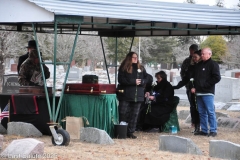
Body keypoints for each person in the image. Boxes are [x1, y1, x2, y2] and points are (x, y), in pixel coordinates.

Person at [191, 48, 221, 137]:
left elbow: (217, 77)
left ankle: (213, 130)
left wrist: (205, 85)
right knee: (201, 112)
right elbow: (195, 78)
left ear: (209, 54)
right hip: (199, 92)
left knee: (210, 111)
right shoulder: (198, 65)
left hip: (208, 92)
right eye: (202, 54)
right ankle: (204, 130)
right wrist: (194, 87)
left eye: (204, 54)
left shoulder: (213, 64)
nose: (202, 55)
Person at [117, 51, 148, 139]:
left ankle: (131, 131)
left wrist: (142, 82)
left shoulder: (141, 68)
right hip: (126, 94)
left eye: (136, 57)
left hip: (138, 95)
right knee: (123, 112)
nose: (135, 59)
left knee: (134, 114)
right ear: (129, 58)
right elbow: (121, 79)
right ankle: (122, 130)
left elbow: (147, 78)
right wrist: (132, 82)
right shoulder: (124, 68)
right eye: (133, 57)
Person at [173, 50, 202, 133]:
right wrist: (176, 87)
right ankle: (196, 126)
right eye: (193, 57)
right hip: (191, 90)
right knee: (193, 107)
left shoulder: (202, 67)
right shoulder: (191, 67)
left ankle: (202, 126)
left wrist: (197, 87)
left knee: (200, 108)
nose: (194, 59)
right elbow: (186, 78)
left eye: (196, 57)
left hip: (200, 90)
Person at [180, 44, 198, 130]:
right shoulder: (187, 61)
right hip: (189, 87)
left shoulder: (200, 61)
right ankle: (193, 122)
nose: (192, 53)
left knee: (199, 106)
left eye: (193, 51)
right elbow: (183, 73)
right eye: (191, 51)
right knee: (192, 105)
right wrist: (186, 84)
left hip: (199, 88)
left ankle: (200, 123)